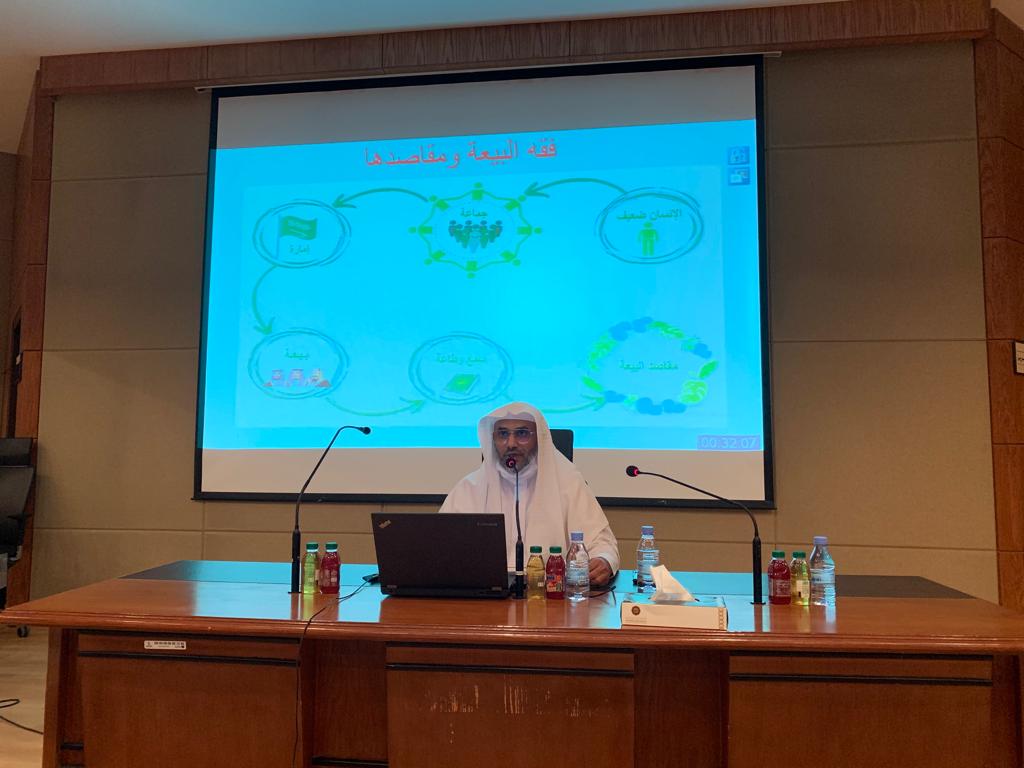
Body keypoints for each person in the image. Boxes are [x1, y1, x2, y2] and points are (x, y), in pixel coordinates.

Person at [439, 402, 619, 586]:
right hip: (483, 594)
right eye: (503, 434)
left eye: (522, 433)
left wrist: (603, 561)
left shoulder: (568, 482)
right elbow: (440, 546)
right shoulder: (470, 487)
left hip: (552, 594)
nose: (511, 443)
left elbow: (602, 542)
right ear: (492, 440)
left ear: (539, 438)